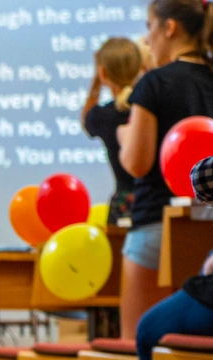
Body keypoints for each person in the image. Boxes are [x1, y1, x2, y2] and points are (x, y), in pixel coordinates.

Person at [114, 0, 213, 360]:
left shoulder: (154, 83)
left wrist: (121, 132)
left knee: (146, 342)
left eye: (149, 28)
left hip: (156, 227)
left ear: (169, 27)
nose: (147, 38)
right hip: (206, 228)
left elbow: (137, 162)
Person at [82, 37, 142, 226]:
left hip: (124, 203)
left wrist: (96, 82)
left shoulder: (102, 115)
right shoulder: (147, 105)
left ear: (103, 73)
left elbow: (86, 121)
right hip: (152, 200)